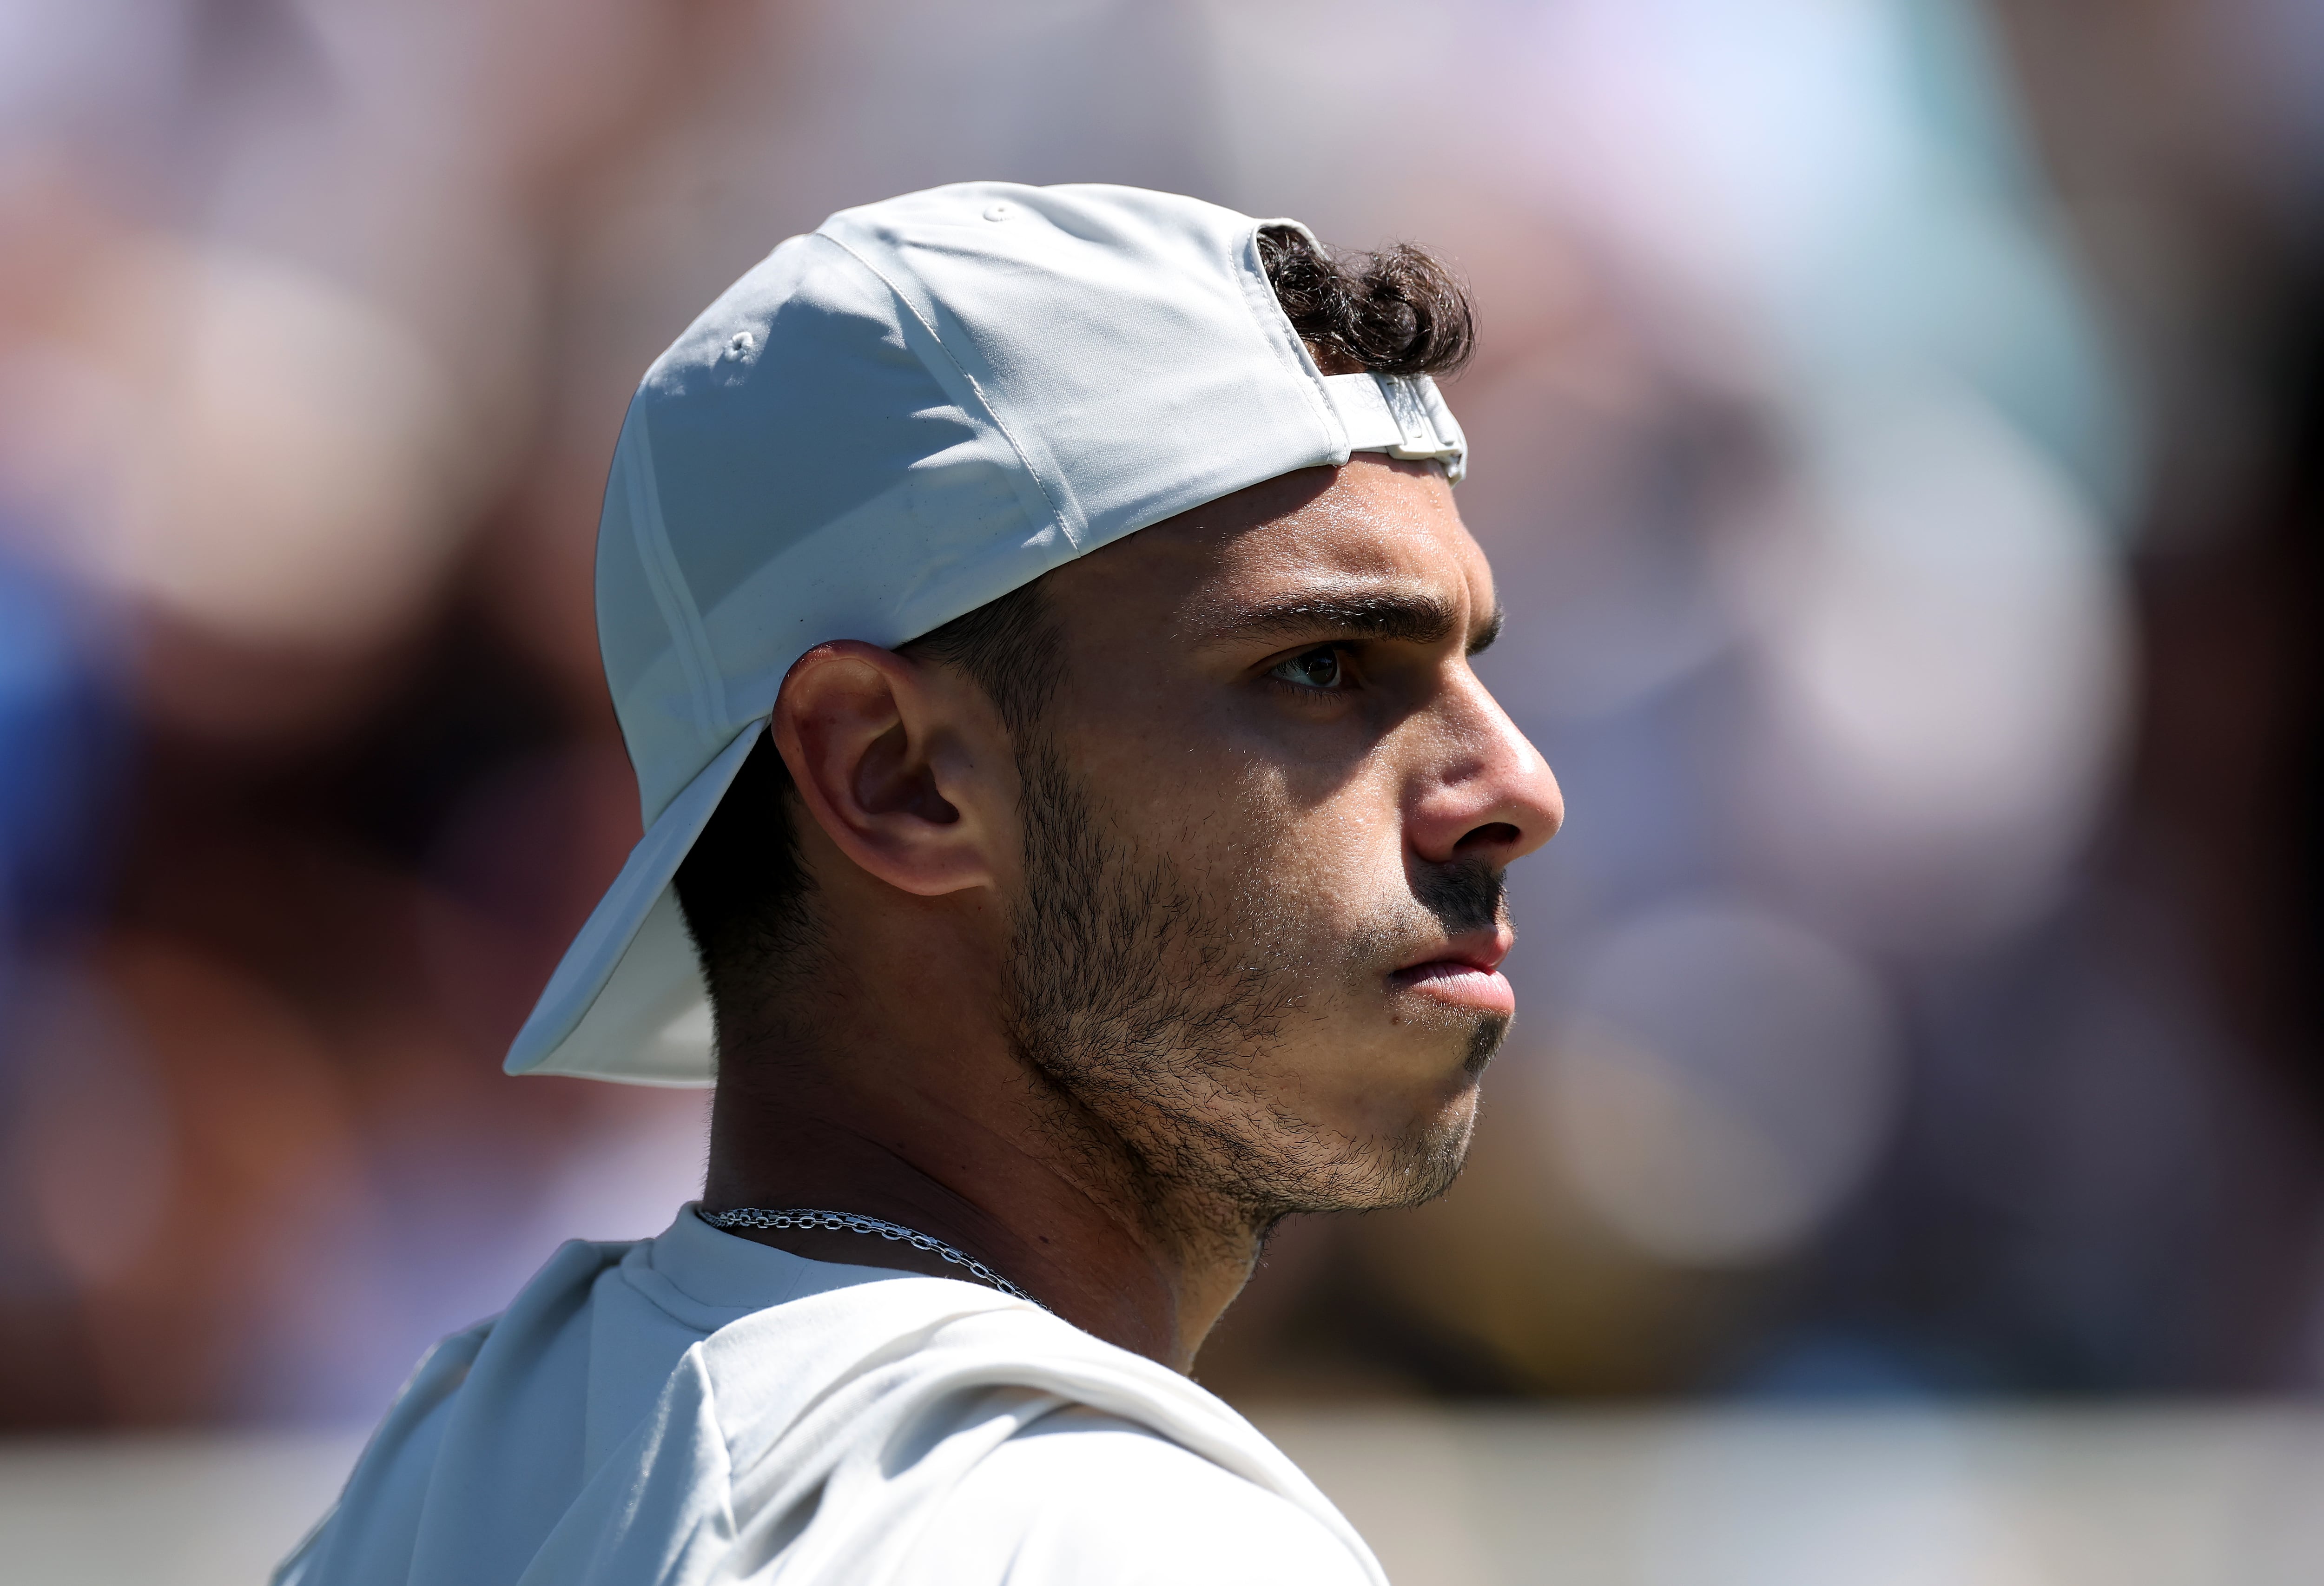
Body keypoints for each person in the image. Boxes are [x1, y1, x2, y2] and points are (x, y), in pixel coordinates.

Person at [277, 182, 1561, 1586]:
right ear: (894, 774)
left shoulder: (429, 1492)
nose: (1516, 792)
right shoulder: (1116, 1545)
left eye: (1466, 666)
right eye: (1318, 668)